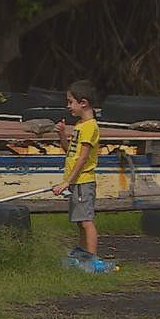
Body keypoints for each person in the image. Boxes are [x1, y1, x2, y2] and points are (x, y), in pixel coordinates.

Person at [53, 80, 100, 256]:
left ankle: (93, 258)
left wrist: (67, 182)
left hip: (83, 181)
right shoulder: (80, 126)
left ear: (83, 103)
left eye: (70, 102)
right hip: (76, 181)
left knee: (87, 221)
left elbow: (83, 157)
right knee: (80, 221)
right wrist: (62, 135)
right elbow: (70, 152)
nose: (68, 106)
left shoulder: (90, 127)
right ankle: (84, 254)